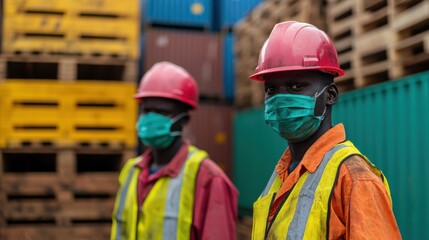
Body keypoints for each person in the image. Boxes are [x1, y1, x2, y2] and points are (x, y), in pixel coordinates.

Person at [249, 21, 401, 239]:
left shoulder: (354, 178)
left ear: (330, 95)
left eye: (295, 86)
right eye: (271, 89)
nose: (281, 99)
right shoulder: (282, 174)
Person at [111, 61, 238, 240]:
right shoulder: (131, 171)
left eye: (162, 112)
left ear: (183, 120)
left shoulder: (207, 178)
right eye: (147, 111)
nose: (151, 119)